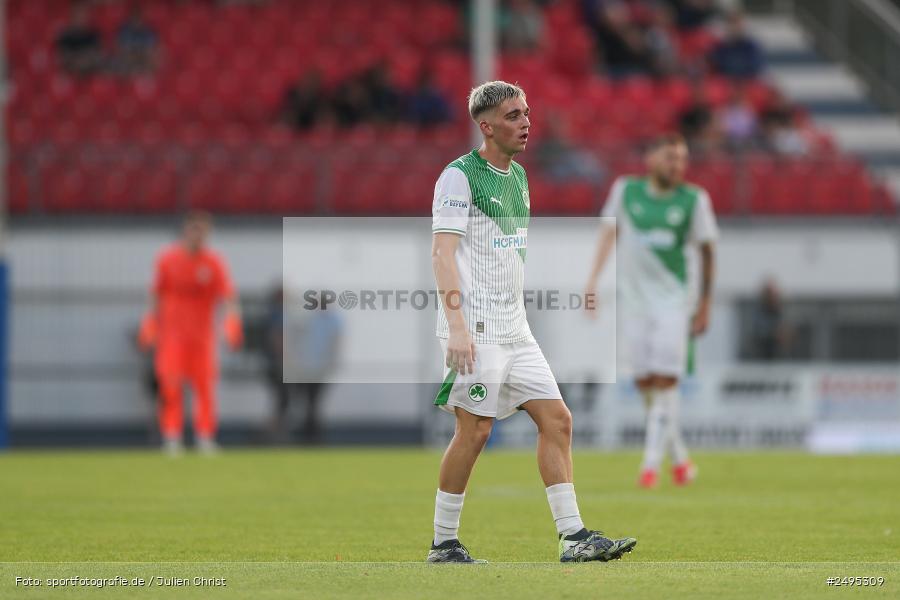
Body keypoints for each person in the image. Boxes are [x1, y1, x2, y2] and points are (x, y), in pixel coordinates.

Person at [428, 80, 637, 564]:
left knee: (558, 420)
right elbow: (442, 254)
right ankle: (443, 542)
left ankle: (573, 537)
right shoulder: (459, 177)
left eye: (526, 113)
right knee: (475, 430)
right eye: (513, 116)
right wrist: (456, 326)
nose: (525, 123)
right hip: (476, 327)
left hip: (515, 326)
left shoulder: (519, 176)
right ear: (487, 126)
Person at [584, 134, 718, 489]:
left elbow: (707, 252)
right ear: (650, 159)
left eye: (682, 159)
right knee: (645, 383)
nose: (677, 166)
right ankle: (681, 460)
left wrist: (704, 303)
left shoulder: (694, 199)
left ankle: (650, 466)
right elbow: (608, 234)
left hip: (675, 303)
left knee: (665, 381)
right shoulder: (625, 191)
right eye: (670, 158)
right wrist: (593, 280)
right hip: (634, 303)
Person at [139, 212, 243, 454]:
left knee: (205, 388)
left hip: (202, 338)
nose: (198, 235)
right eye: (194, 229)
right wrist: (150, 323)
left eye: (203, 230)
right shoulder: (167, 260)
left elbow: (228, 297)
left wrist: (232, 323)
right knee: (171, 387)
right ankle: (172, 436)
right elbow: (156, 294)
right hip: (172, 336)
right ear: (185, 231)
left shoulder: (214, 263)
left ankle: (205, 436)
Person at [709, 10, 764, 80]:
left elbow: (755, 67)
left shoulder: (751, 47)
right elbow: (716, 67)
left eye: (737, 24)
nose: (734, 27)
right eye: (731, 23)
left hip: (746, 81)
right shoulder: (720, 47)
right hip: (726, 82)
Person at [56, 3, 104, 76]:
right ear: (72, 16)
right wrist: (78, 61)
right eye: (78, 14)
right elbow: (62, 58)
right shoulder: (65, 36)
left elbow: (98, 57)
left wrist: (84, 61)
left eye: (83, 14)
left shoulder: (94, 35)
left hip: (90, 75)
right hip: (70, 75)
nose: (81, 17)